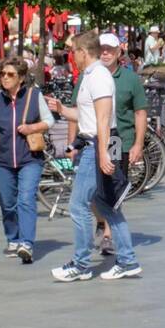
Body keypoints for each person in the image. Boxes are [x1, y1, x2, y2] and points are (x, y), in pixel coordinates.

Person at [47, 31, 141, 281]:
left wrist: (102, 153)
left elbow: (102, 118)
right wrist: (63, 110)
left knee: (79, 206)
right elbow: (88, 116)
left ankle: (81, 264)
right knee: (106, 204)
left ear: (83, 52)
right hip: (99, 141)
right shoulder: (92, 75)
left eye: (73, 51)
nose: (71, 56)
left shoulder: (97, 76)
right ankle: (128, 260)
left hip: (98, 143)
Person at [66, 33, 147, 257]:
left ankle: (106, 241)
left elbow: (139, 112)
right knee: (98, 199)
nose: (105, 53)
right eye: (102, 49)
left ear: (119, 53)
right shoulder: (87, 76)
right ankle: (120, 250)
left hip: (115, 141)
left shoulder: (126, 78)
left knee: (106, 196)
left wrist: (137, 143)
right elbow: (80, 112)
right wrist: (71, 144)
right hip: (95, 141)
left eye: (110, 49)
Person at [0, 58, 53, 262]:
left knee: (26, 199)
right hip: (2, 159)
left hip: (30, 157)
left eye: (10, 74)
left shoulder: (34, 96)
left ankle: (26, 243)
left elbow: (49, 120)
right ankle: (13, 238)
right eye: (2, 74)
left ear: (20, 78)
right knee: (7, 202)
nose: (5, 78)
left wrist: (32, 128)